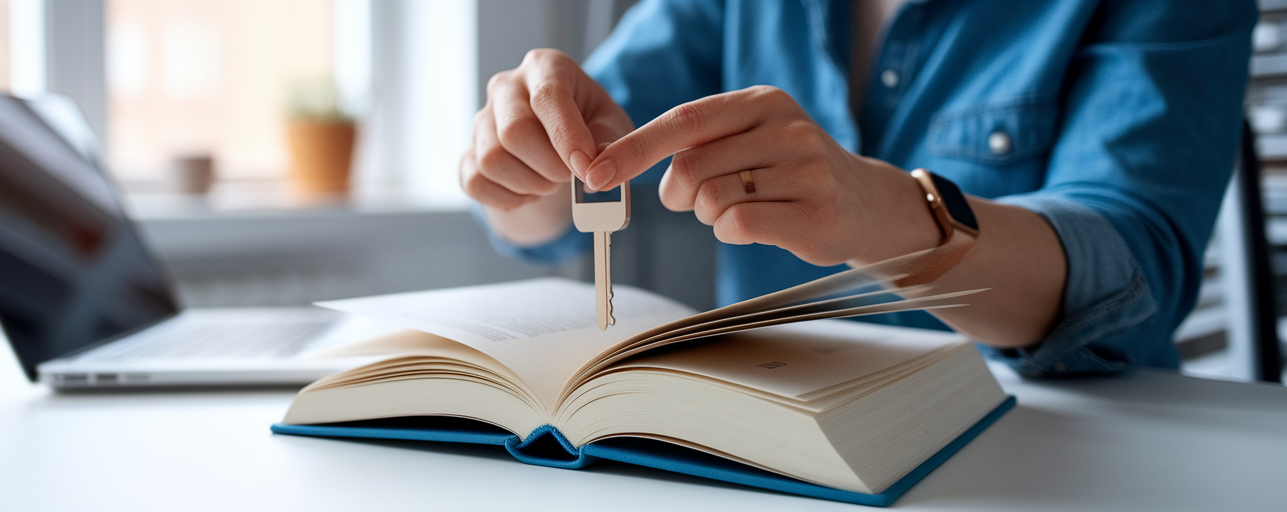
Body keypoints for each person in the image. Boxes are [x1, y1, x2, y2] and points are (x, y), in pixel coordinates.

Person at [457, 0, 1257, 377]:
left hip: (1055, 457)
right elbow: (539, 216)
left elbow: (1132, 271)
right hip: (766, 458)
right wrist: (527, 163)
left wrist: (888, 216)